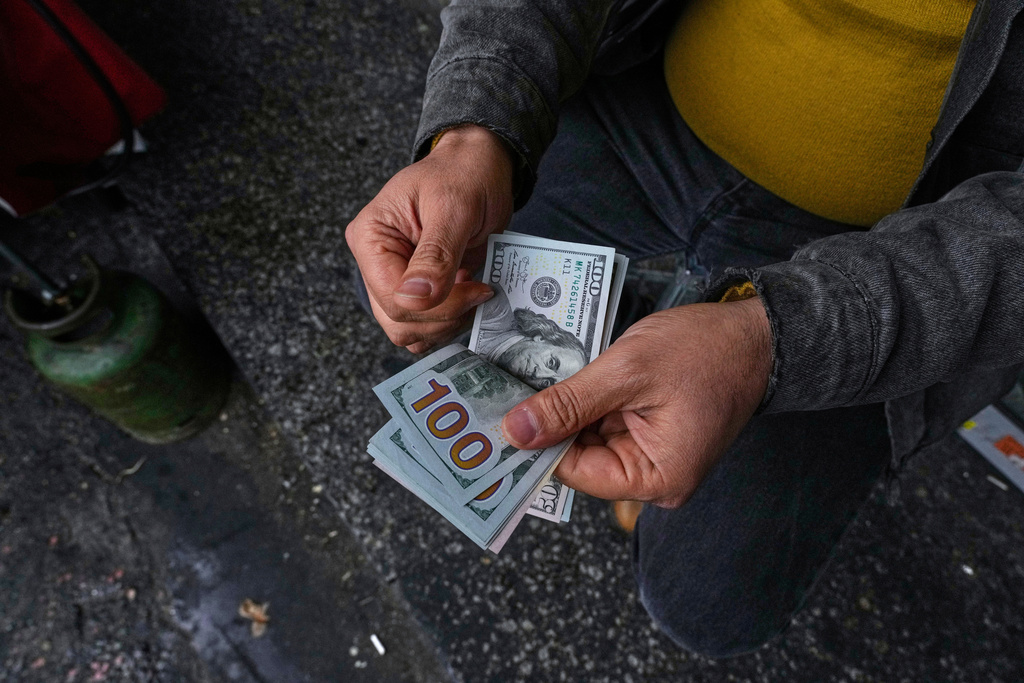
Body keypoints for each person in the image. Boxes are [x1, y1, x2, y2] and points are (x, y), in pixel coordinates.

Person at [346, 0, 1024, 656]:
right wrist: (473, 126)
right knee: (411, 280)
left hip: (902, 239)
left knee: (704, 600)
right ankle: (658, 340)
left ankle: (664, 344)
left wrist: (775, 341)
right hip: (657, 91)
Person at [474, 287, 588, 389]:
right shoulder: (496, 310)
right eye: (551, 362)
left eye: (547, 383)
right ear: (542, 338)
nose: (538, 375)